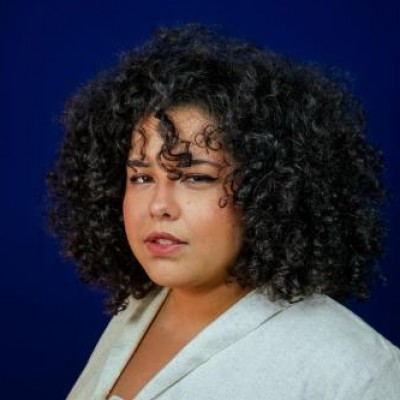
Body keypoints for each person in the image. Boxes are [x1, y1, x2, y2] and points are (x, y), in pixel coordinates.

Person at [47, 24, 400, 400]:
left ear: (269, 190)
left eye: (196, 178)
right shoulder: (138, 306)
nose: (159, 205)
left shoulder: (356, 371)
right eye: (142, 177)